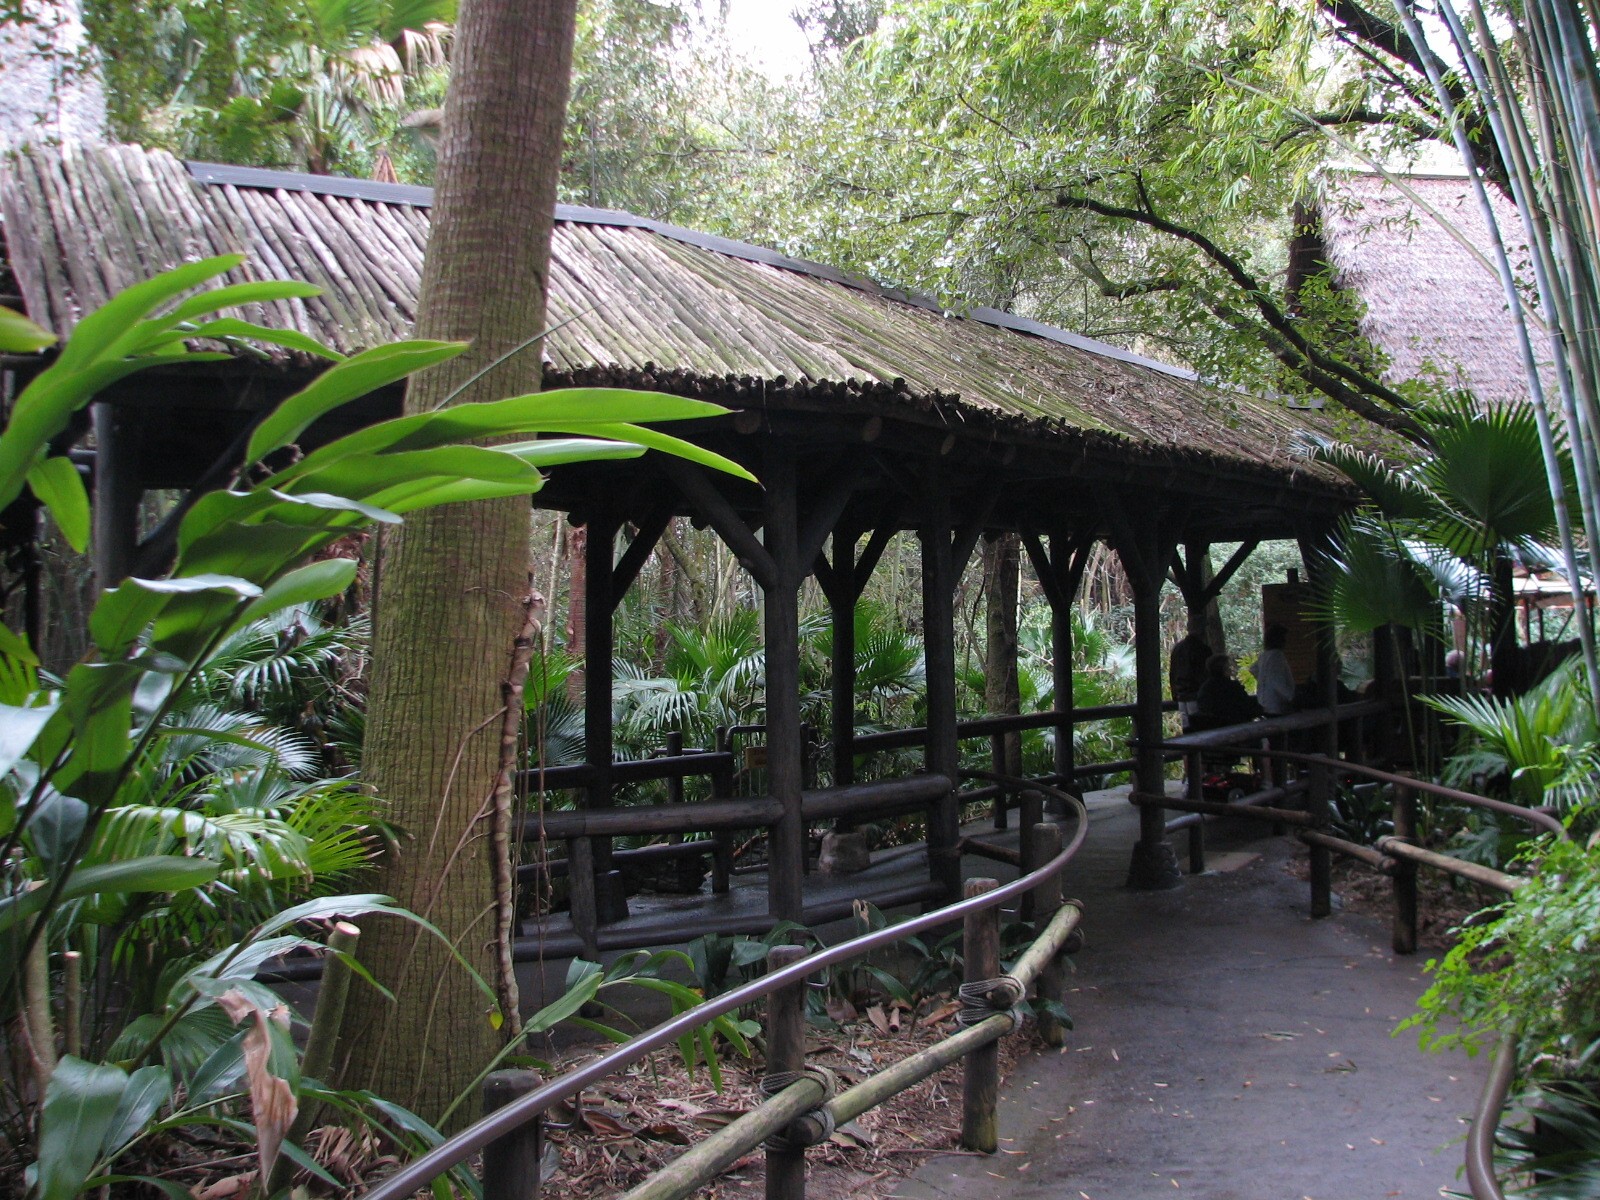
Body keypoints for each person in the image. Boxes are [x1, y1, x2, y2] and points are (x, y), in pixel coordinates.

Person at [1168, 618, 1212, 728]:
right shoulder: (1203, 650)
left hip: (1181, 697)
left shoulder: (1177, 648)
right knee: (1200, 728)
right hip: (1196, 696)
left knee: (1187, 728)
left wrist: (1175, 694)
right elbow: (1205, 675)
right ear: (1201, 630)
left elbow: (1172, 673)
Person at [1195, 653, 1261, 725]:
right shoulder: (1232, 687)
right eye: (1229, 667)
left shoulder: (1205, 688)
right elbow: (1246, 706)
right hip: (1234, 724)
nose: (1231, 669)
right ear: (1224, 669)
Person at [1252, 623, 1296, 717]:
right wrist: (1290, 697)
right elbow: (1276, 680)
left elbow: (1253, 669)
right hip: (1276, 705)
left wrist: (1263, 680)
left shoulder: (1264, 655)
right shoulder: (1277, 655)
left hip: (1264, 702)